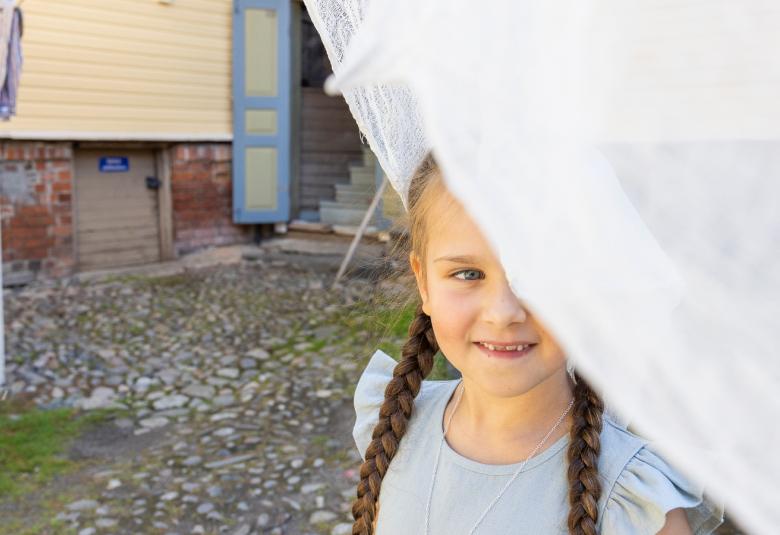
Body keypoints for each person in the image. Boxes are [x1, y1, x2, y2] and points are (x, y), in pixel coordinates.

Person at [349, 154, 724, 534]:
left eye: (538, 275)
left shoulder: (632, 499)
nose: (503, 313)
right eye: (467, 273)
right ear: (424, 283)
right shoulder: (393, 430)